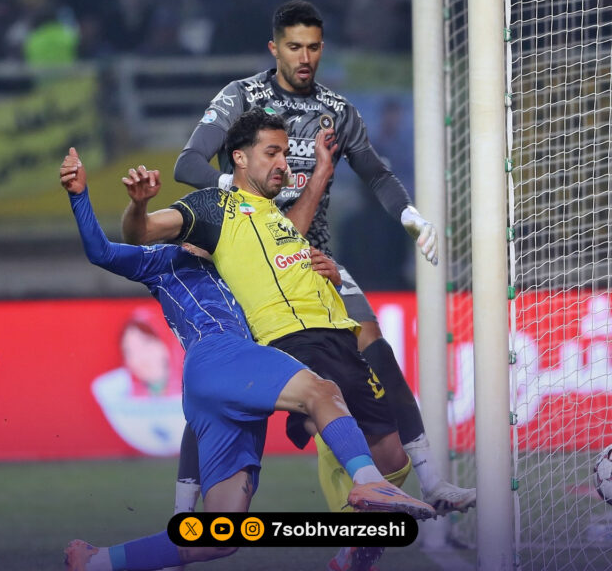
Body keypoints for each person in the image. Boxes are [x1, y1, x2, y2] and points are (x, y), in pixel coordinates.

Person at [171, 0, 473, 524]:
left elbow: (376, 173)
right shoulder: (241, 97)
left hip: (313, 259)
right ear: (275, 48)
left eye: (312, 47)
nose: (304, 57)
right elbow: (187, 163)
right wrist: (241, 195)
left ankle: (432, 481)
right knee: (214, 379)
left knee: (376, 347)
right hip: (245, 260)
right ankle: (182, 509)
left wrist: (410, 216)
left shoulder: (337, 110)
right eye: (294, 47)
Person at [58, 147, 434, 571]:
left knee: (221, 534)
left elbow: (286, 248)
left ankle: (99, 562)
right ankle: (369, 482)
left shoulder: (241, 263)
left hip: (220, 384)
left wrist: (325, 267)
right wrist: (80, 196)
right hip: (217, 353)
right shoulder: (165, 259)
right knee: (322, 390)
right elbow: (103, 251)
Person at [91, 319, 185, 457]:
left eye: (146, 344)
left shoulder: (195, 383)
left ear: (167, 342)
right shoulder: (120, 391)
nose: (139, 358)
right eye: (129, 351)